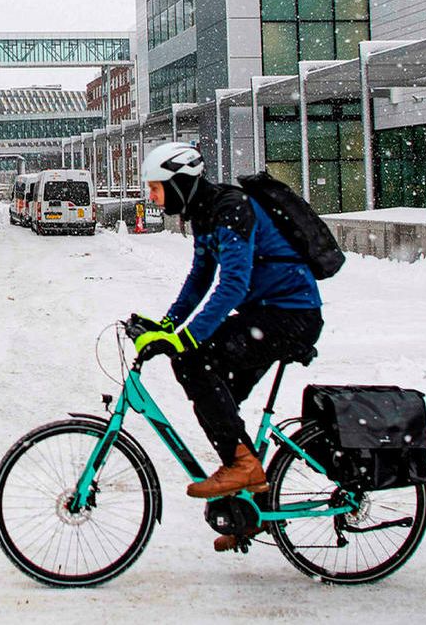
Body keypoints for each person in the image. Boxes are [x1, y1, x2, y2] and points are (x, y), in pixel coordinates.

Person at [131, 141, 323, 553]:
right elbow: (200, 278)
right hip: (266, 315)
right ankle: (248, 503)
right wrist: (166, 325)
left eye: (156, 187)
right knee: (217, 402)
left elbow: (232, 285)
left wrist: (184, 338)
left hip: (291, 316)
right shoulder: (204, 214)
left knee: (195, 364)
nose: (151, 196)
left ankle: (245, 467)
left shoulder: (231, 208)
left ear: (180, 183)